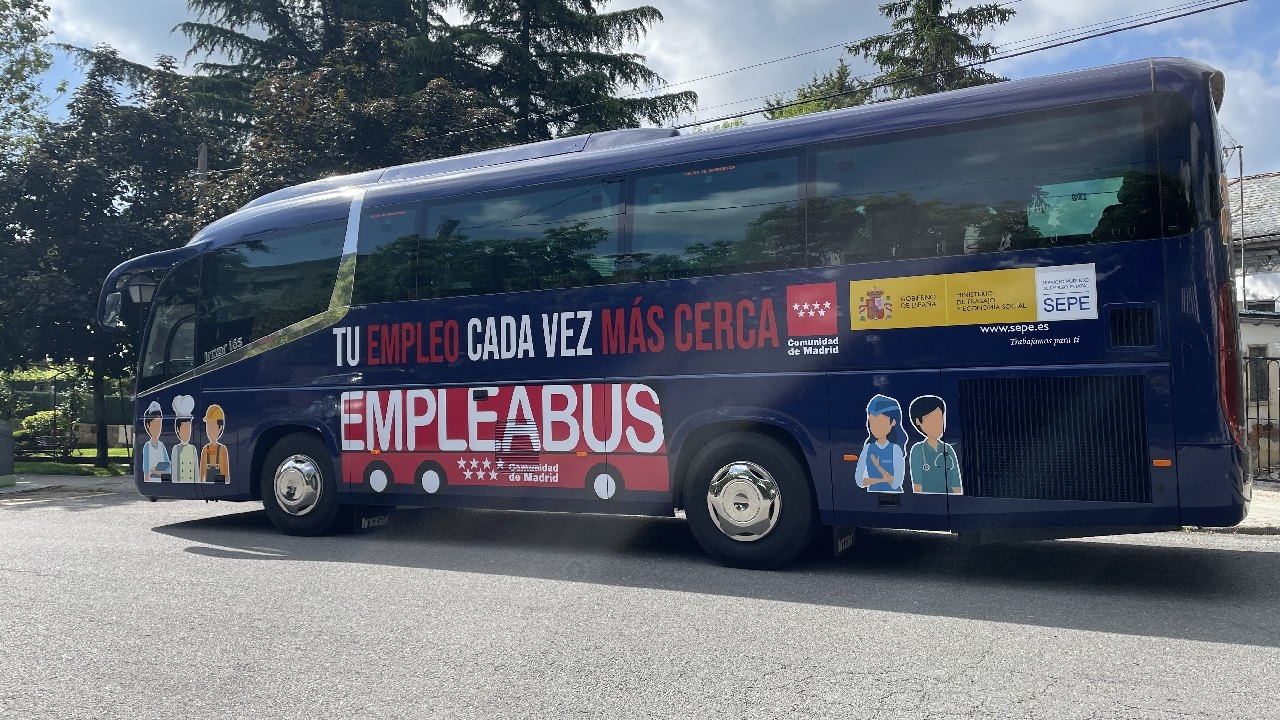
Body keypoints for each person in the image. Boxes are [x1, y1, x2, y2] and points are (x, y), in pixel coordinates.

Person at [908, 395, 962, 495]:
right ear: (918, 421)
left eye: (940, 419)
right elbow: (917, 485)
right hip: (927, 501)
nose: (938, 425)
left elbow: (956, 483)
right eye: (932, 420)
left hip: (953, 500)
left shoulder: (948, 449)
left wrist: (957, 499)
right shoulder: (917, 450)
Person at [855, 394, 906, 493]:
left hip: (894, 494)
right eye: (872, 422)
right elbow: (859, 481)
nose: (875, 427)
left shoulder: (896, 449)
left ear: (893, 422)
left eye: (880, 422)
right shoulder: (867, 448)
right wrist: (883, 479)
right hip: (871, 494)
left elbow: (896, 483)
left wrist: (878, 466)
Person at [141, 401, 171, 482]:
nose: (157, 429)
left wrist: (156, 471)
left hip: (162, 481)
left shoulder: (161, 446)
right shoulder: (147, 446)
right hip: (151, 481)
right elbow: (146, 469)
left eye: (159, 425)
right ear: (148, 425)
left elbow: (167, 465)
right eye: (154, 425)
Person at [171, 395, 198, 484]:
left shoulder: (193, 449)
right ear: (178, 430)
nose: (187, 432)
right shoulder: (176, 449)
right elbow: (174, 472)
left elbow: (196, 471)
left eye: (188, 429)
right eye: (184, 429)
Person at [200, 404, 230, 484]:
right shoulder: (205, 449)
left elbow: (226, 473)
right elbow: (202, 474)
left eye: (212, 427)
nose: (209, 431)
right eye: (208, 427)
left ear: (220, 428)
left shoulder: (222, 449)